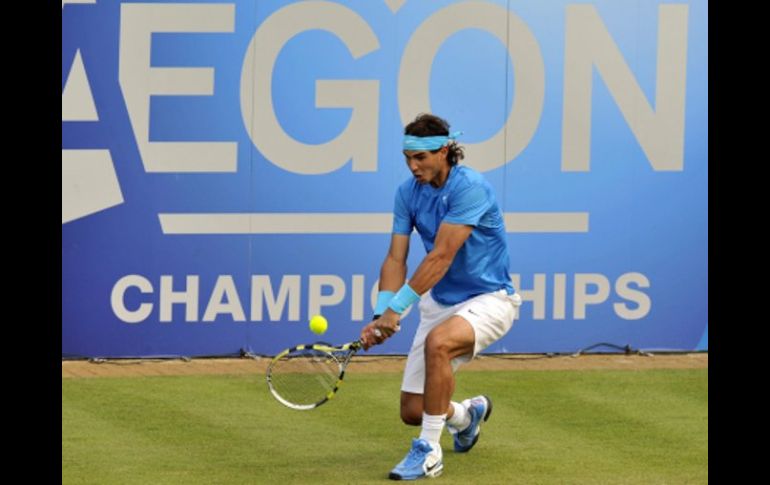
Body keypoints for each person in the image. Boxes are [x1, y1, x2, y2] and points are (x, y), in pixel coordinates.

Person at [360, 113, 522, 480]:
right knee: (413, 409)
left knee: (439, 344)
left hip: (489, 298)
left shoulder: (471, 188)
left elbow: (441, 256)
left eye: (421, 158)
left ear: (446, 151)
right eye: (407, 158)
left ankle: (428, 451)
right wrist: (381, 311)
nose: (412, 166)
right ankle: (465, 416)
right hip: (441, 301)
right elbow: (395, 257)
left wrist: (399, 308)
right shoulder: (407, 193)